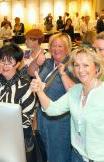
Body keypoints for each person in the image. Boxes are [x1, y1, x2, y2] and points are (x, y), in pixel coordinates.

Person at [30, 47, 104, 162]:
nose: (80, 70)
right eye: (77, 65)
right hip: (77, 157)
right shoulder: (75, 91)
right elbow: (52, 109)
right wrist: (39, 91)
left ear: (97, 67)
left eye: (86, 65)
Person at [28, 32, 77, 162]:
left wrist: (62, 74)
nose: (56, 49)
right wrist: (36, 62)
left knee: (58, 156)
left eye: (60, 46)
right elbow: (30, 72)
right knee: (46, 154)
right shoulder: (48, 62)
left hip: (60, 121)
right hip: (42, 117)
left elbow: (76, 92)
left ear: (67, 48)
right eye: (53, 46)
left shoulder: (72, 67)